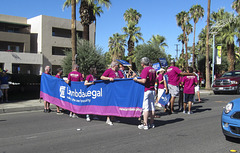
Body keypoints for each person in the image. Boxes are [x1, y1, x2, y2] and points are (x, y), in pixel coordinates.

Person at [134, 57, 156, 130]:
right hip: (153, 89)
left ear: (142, 63)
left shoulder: (145, 70)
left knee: (146, 108)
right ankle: (151, 123)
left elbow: (143, 81)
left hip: (147, 90)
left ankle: (145, 124)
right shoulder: (153, 69)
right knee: (152, 107)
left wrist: (136, 79)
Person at [101, 61, 124, 125]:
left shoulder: (119, 72)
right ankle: (108, 118)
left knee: (115, 103)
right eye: (117, 65)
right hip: (110, 90)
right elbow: (102, 77)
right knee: (109, 103)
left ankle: (113, 117)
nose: (118, 66)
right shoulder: (109, 71)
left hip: (117, 90)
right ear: (114, 66)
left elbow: (123, 78)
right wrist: (109, 78)